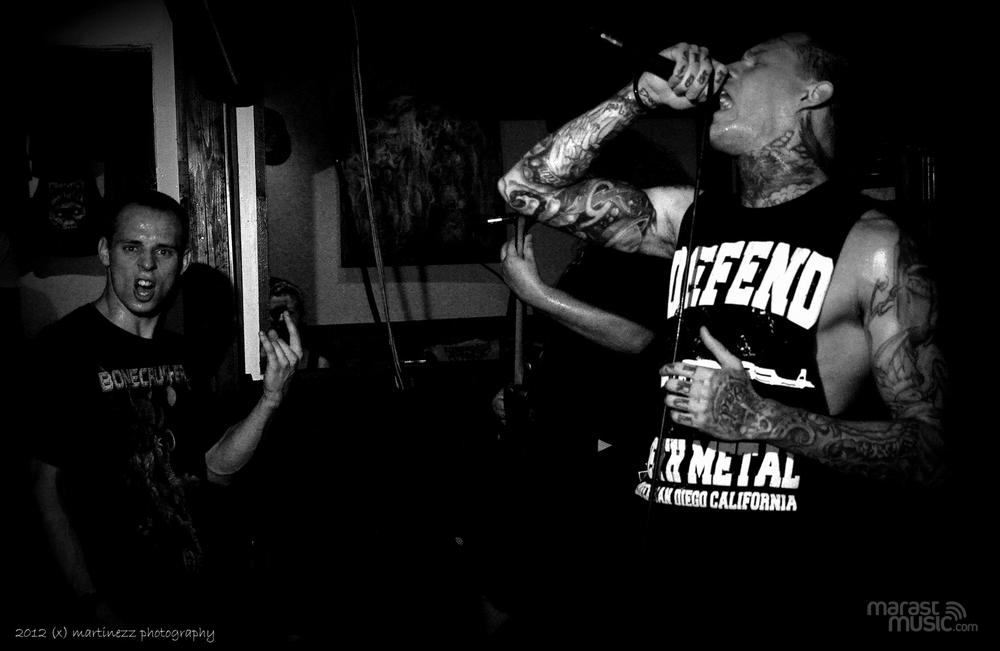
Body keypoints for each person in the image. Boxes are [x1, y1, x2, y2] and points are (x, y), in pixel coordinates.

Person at [497, 32, 949, 638]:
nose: (729, 68)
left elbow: (931, 452)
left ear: (812, 94)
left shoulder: (874, 244)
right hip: (658, 560)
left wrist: (764, 419)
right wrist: (636, 97)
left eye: (755, 61)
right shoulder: (691, 218)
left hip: (781, 578)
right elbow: (525, 189)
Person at [25, 190, 302, 634]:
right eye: (131, 247)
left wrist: (269, 401)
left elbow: (216, 469)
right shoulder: (62, 349)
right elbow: (44, 491)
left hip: (190, 596)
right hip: (110, 604)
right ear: (105, 252)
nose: (147, 265)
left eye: (163, 251)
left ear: (182, 261)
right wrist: (91, 604)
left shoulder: (183, 355)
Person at [268, 275, 330, 371]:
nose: (281, 319)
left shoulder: (317, 363)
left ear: (300, 314)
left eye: (288, 313)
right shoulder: (253, 358)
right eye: (275, 313)